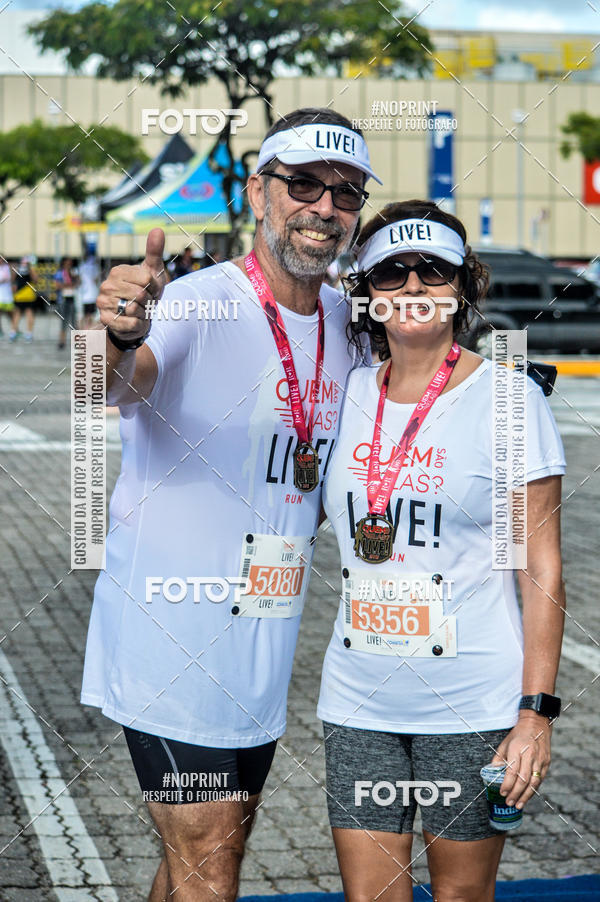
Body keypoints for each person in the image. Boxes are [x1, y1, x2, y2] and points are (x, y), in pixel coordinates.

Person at [81, 107, 379, 901]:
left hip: (263, 639)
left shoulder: (351, 325)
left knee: (211, 853)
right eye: (305, 184)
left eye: (345, 193)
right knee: (209, 855)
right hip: (171, 634)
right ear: (258, 193)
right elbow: (104, 388)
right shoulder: (197, 303)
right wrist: (111, 335)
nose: (324, 206)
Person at [317, 200, 566, 902]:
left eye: (434, 269)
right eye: (393, 272)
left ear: (464, 285)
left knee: (459, 897)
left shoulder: (511, 400)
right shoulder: (346, 393)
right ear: (366, 293)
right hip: (359, 697)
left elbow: (541, 569)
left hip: (471, 703)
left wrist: (534, 714)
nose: (414, 286)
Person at [10, 256, 37, 342]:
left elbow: (35, 279)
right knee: (19, 313)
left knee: (25, 313)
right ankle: (15, 333)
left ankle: (26, 334)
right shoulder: (19, 268)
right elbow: (13, 280)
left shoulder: (28, 269)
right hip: (21, 294)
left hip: (27, 294)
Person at [54, 257, 79, 349]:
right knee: (64, 322)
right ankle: (62, 340)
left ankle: (77, 341)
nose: (69, 265)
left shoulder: (73, 272)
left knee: (74, 321)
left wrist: (73, 279)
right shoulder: (60, 273)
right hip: (63, 299)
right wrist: (68, 285)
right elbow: (57, 285)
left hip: (72, 298)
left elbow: (77, 283)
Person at [78, 254, 101, 329]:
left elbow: (79, 280)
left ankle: (83, 331)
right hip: (91, 295)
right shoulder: (95, 268)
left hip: (84, 296)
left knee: (85, 316)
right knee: (90, 316)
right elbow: (95, 280)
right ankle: (87, 330)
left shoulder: (82, 267)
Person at [0, 256, 13, 335]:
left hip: (7, 295)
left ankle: (14, 329)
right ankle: (0, 331)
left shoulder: (7, 268)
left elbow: (10, 278)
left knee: (10, 313)